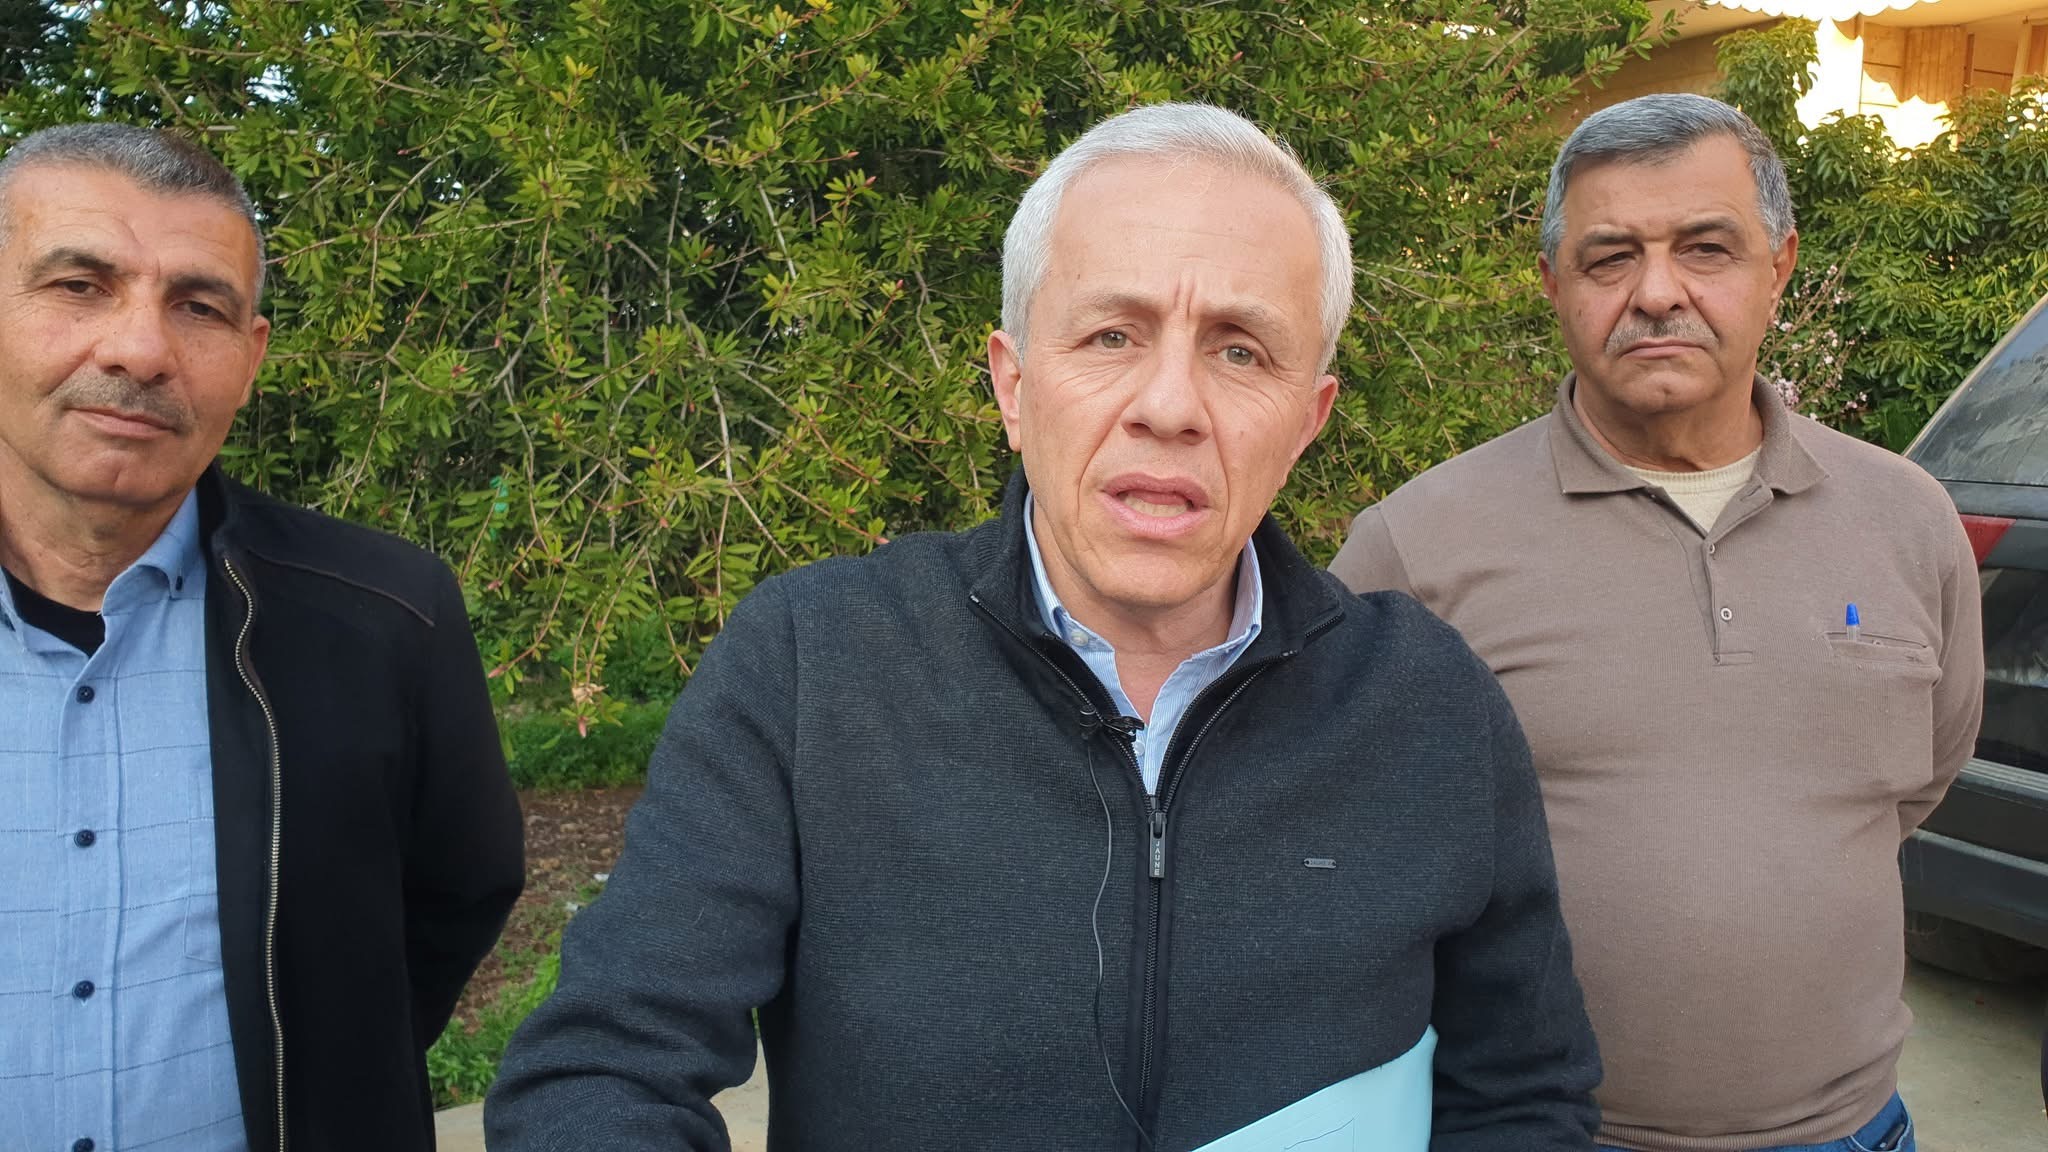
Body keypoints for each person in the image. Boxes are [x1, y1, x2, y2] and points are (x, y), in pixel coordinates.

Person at [487, 102, 1601, 1150]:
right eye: (1112, 335)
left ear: (1306, 420)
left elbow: (1521, 1094)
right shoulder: (812, 662)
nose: (1169, 406)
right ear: (1013, 386)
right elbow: (602, 1069)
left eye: (1239, 350)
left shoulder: (1426, 704)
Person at [1331, 93, 1983, 1152]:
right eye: (1609, 258)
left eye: (1705, 249)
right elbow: (1345, 850)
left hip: (1854, 1133)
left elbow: (1915, 781)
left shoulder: (1906, 519)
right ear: (1553, 283)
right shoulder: (1416, 548)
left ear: (1778, 265)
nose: (1657, 293)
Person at [0, 123, 524, 1152]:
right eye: (79, 286)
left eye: (199, 307)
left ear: (249, 361)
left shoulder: (384, 617)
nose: (141, 351)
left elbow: (456, 896)